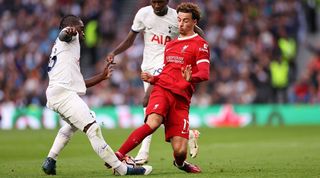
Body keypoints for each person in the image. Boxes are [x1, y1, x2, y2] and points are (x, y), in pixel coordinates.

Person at [41, 15, 152, 176]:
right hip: (63, 94)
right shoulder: (68, 37)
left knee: (73, 125)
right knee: (93, 129)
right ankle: (123, 170)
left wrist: (101, 76)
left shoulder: (66, 52)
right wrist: (70, 31)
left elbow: (79, 83)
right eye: (81, 28)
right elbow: (64, 33)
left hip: (57, 93)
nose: (83, 33)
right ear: (72, 27)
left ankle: (50, 160)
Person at [114, 2, 210, 173]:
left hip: (181, 99)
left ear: (195, 22)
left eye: (186, 21)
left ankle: (180, 163)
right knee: (153, 122)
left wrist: (191, 77)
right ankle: (119, 155)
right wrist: (153, 79)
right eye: (179, 21)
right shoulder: (171, 45)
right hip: (162, 89)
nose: (180, 24)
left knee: (180, 152)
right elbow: (167, 72)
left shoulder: (200, 45)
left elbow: (204, 73)